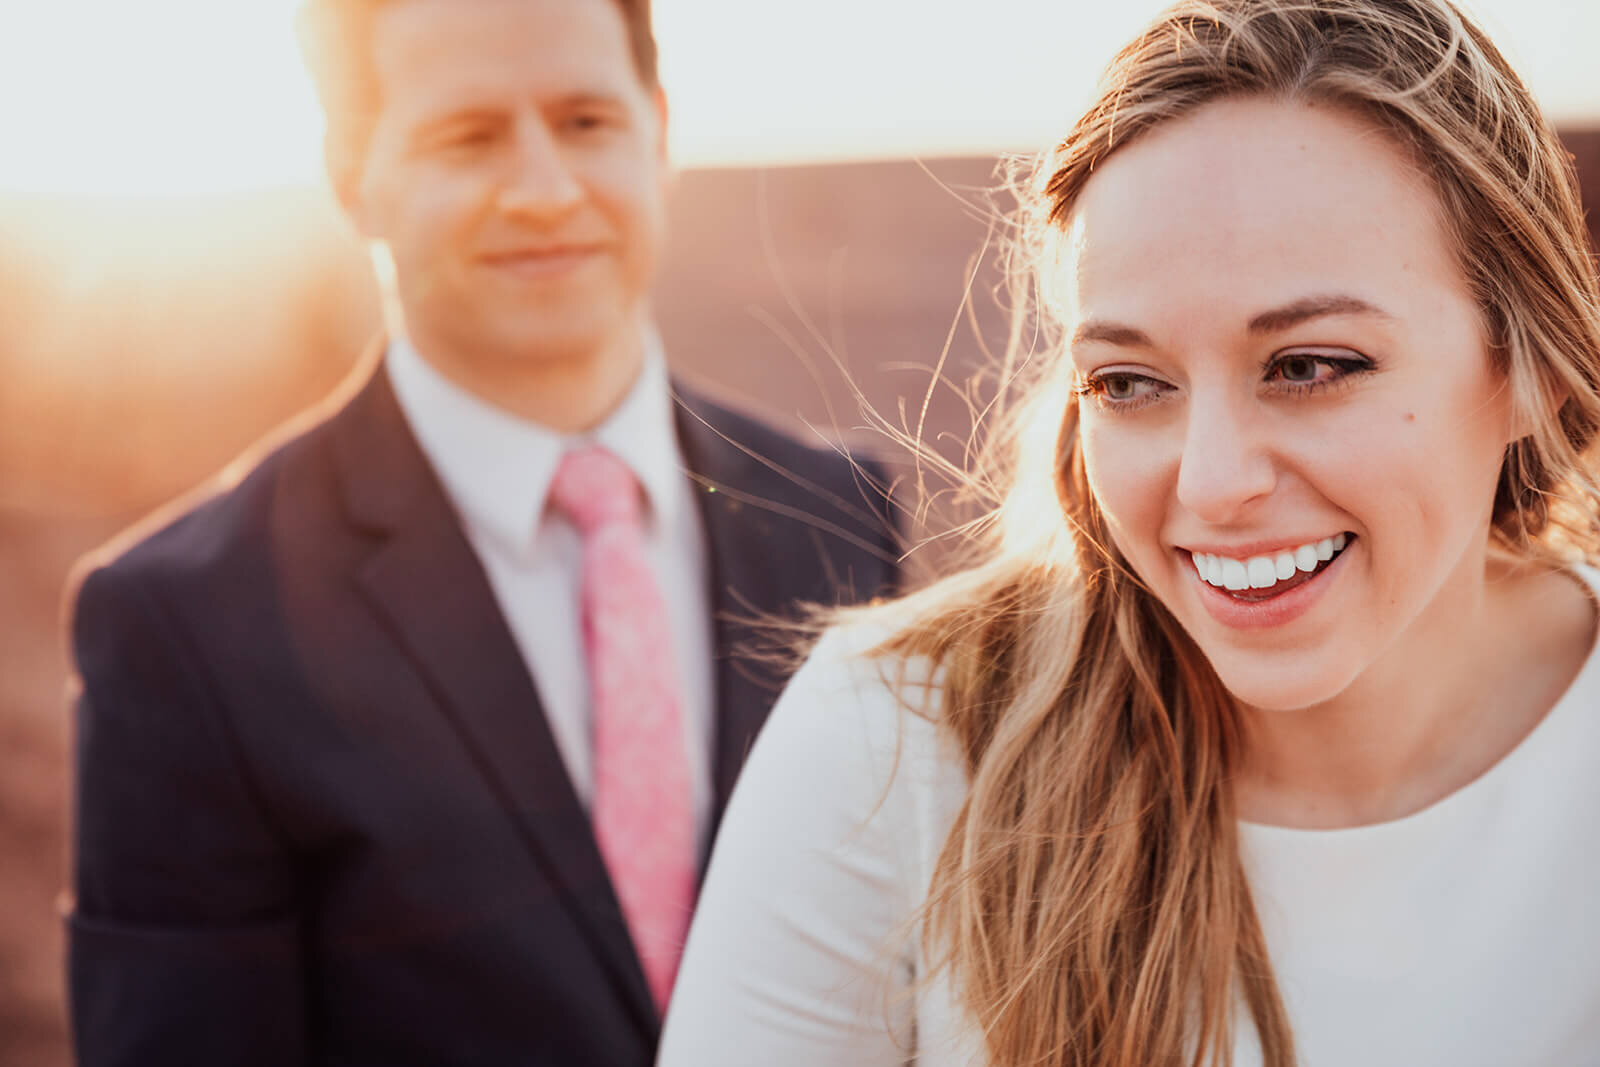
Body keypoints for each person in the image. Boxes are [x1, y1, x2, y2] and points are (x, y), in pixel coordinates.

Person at [656, 1, 1600, 1064]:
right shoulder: (896, 739)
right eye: (1129, 382)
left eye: (1309, 365)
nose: (1210, 482)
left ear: (1534, 369)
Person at [64, 0, 898, 1063]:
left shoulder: (839, 516)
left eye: (587, 121)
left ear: (659, 132)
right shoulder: (181, 619)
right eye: (469, 135)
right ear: (350, 173)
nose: (545, 191)